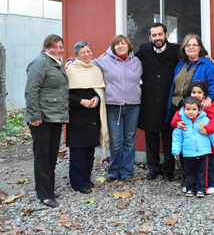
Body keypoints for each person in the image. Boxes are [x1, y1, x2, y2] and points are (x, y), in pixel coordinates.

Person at [167, 34, 214, 194]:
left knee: (204, 150)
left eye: (195, 45)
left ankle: (210, 182)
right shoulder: (180, 64)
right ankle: (190, 182)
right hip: (181, 109)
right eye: (188, 45)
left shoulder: (207, 64)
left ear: (200, 47)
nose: (191, 47)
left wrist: (210, 97)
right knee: (186, 147)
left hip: (198, 111)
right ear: (184, 48)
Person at [25, 34, 69, 208]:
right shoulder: (40, 63)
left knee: (51, 155)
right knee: (42, 156)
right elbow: (31, 91)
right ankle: (44, 195)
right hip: (41, 118)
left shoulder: (55, 63)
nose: (58, 50)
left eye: (60, 47)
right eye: (54, 47)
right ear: (46, 48)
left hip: (54, 116)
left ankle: (48, 189)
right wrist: (34, 116)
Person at [92, 35, 142, 181]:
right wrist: (70, 61)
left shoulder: (137, 61)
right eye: (117, 44)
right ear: (113, 47)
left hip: (133, 106)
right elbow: (86, 64)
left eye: (123, 44)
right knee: (116, 141)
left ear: (129, 46)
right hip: (114, 106)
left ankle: (126, 171)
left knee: (129, 140)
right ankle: (114, 170)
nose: (120, 46)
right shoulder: (104, 61)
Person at [136, 24, 180, 181]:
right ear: (150, 38)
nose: (157, 38)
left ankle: (169, 169)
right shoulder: (144, 50)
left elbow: (192, 56)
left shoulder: (176, 50)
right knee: (151, 137)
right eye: (154, 35)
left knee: (169, 136)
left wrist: (206, 56)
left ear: (166, 35)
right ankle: (153, 168)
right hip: (149, 101)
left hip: (169, 101)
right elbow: (126, 59)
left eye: (160, 34)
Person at [66, 41, 108, 194]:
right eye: (82, 52)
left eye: (88, 51)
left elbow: (99, 90)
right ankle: (78, 183)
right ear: (76, 55)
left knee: (89, 150)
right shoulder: (70, 69)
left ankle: (86, 178)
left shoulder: (96, 69)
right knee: (77, 150)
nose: (86, 54)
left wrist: (97, 98)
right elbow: (65, 93)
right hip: (76, 114)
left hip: (92, 114)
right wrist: (80, 101)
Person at [171, 97, 214, 198]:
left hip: (203, 152)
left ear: (199, 110)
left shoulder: (205, 120)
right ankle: (190, 188)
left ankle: (201, 189)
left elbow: (213, 134)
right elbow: (177, 138)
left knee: (202, 172)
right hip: (188, 153)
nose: (190, 112)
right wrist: (176, 151)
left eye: (194, 109)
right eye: (188, 109)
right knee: (189, 172)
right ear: (183, 109)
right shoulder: (181, 123)